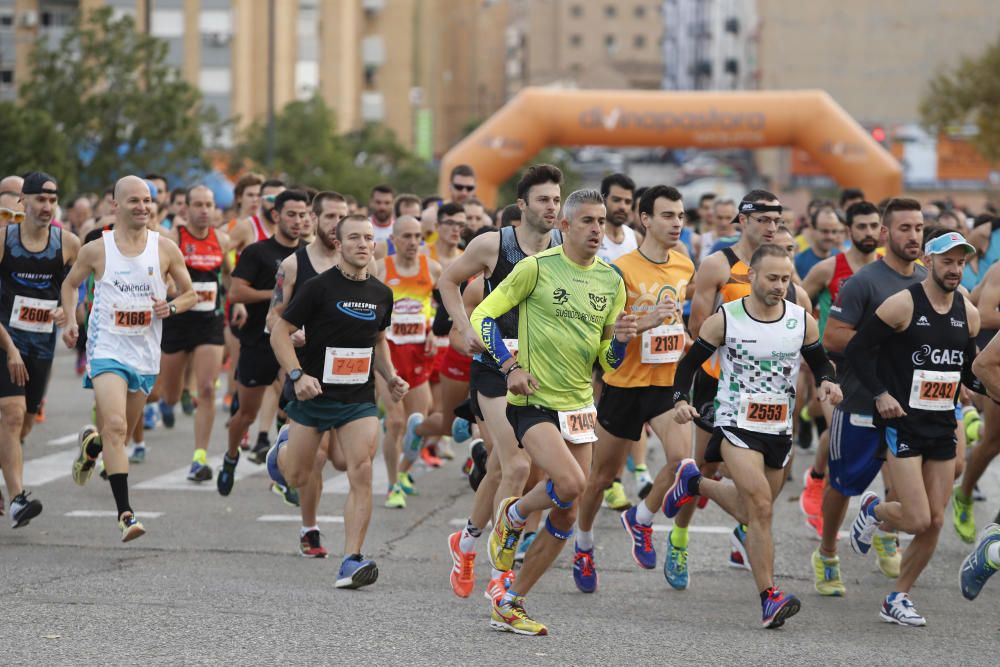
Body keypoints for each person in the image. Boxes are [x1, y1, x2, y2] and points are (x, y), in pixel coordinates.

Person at [472, 188, 630, 636]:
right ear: (564, 226)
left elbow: (609, 363)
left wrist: (620, 339)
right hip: (533, 400)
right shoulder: (535, 268)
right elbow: (484, 316)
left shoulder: (611, 281)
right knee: (571, 483)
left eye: (601, 222)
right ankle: (515, 514)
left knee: (566, 510)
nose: (598, 230)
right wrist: (509, 366)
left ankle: (510, 600)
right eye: (587, 222)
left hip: (579, 405)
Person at [668, 243, 842, 628]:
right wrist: (681, 400)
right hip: (735, 423)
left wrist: (828, 383)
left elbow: (819, 364)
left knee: (752, 511)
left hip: (779, 429)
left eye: (786, 278)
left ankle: (694, 482)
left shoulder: (802, 320)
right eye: (773, 278)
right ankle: (769, 596)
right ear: (752, 277)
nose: (781, 285)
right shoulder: (726, 319)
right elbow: (687, 368)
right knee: (760, 506)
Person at [438, 164, 562, 600]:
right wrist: (465, 328)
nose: (552, 207)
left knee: (499, 469)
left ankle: (467, 541)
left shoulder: (565, 248)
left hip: (542, 371)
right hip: (494, 366)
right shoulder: (493, 244)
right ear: (523, 204)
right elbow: (448, 281)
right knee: (517, 466)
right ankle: (501, 572)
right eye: (544, 199)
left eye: (556, 199)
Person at [846, 231, 982, 626]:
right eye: (947, 261)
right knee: (919, 519)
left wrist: (969, 386)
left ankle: (897, 596)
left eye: (960, 263)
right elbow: (857, 350)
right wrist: (881, 394)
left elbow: (967, 367)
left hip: (942, 423)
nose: (955, 269)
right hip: (902, 424)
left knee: (936, 521)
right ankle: (873, 509)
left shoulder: (967, 312)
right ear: (929, 261)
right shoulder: (903, 304)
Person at [268, 214, 407, 588]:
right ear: (339, 243)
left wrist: (390, 376)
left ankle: (351, 559)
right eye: (354, 238)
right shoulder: (317, 288)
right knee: (297, 475)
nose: (363, 244)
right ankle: (279, 454)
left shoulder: (382, 293)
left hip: (358, 398)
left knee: (360, 470)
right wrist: (298, 375)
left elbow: (378, 341)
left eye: (368, 238)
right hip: (314, 395)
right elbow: (280, 332)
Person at [60, 175, 196, 542]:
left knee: (112, 434)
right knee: (117, 427)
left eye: (147, 200)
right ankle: (125, 514)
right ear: (115, 206)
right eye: (134, 200)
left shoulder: (165, 248)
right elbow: (70, 284)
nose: (142, 207)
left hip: (145, 354)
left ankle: (92, 449)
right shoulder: (97, 249)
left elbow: (190, 294)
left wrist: (170, 305)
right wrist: (71, 319)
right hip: (107, 350)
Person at [572, 185, 695, 592]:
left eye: (680, 216)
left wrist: (682, 337)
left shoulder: (683, 266)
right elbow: (608, 331)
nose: (676, 223)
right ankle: (584, 545)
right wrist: (646, 322)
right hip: (624, 383)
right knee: (601, 478)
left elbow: (678, 317)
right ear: (645, 219)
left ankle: (640, 518)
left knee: (682, 463)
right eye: (667, 215)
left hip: (664, 384)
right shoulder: (620, 269)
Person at [817, 198, 927, 596]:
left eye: (918, 228)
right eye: (904, 228)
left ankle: (885, 531)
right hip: (862, 400)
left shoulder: (927, 280)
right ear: (885, 234)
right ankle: (828, 553)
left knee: (905, 484)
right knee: (844, 484)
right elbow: (832, 337)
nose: (913, 235)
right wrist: (887, 343)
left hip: (909, 404)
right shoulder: (863, 282)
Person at [265, 191, 349, 551]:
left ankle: (284, 452)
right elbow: (273, 316)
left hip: (349, 373)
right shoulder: (294, 265)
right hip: (308, 371)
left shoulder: (361, 262)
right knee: (313, 458)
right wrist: (291, 331)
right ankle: (309, 529)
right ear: (314, 220)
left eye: (343, 217)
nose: (337, 225)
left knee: (344, 461)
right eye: (330, 217)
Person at [0, 171, 80, 527]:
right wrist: (10, 349)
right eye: (40, 200)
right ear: (24, 202)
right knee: (12, 414)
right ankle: (18, 499)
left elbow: (73, 287)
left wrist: (69, 313)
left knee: (24, 426)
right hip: (5, 339)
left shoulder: (68, 244)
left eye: (52, 200)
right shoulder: (4, 240)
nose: (47, 207)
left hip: (41, 344)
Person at [798, 201, 881, 536]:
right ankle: (818, 482)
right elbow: (798, 305)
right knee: (838, 431)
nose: (868, 233)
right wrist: (813, 347)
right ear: (849, 231)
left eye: (874, 226)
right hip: (835, 367)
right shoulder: (829, 268)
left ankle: (879, 523)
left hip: (876, 370)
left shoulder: (890, 269)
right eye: (861, 227)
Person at [220, 190, 306, 494]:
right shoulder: (257, 252)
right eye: (291, 214)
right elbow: (236, 292)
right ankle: (231, 457)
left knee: (296, 409)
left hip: (295, 345)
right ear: (276, 216)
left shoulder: (309, 254)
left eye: (303, 214)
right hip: (258, 341)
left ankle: (286, 474)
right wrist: (277, 296)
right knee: (246, 413)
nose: (298, 221)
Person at [157, 185, 232, 481]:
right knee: (170, 394)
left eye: (209, 204)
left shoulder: (222, 240)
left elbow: (226, 274)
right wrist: (172, 291)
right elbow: (160, 276)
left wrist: (232, 300)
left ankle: (199, 458)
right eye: (198, 205)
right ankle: (167, 402)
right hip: (176, 323)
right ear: (185, 209)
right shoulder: (173, 240)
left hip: (208, 324)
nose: (204, 210)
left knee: (207, 389)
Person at [375, 216, 441, 507]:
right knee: (396, 421)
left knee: (420, 424)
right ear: (395, 239)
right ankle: (392, 486)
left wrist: (433, 331)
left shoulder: (433, 269)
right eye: (407, 236)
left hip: (418, 355)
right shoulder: (380, 269)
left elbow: (448, 303)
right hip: (387, 353)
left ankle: (403, 473)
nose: (414, 242)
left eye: (418, 237)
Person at [794, 204, 842, 278]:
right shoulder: (798, 262)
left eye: (834, 231)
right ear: (812, 229)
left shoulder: (842, 260)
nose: (830, 236)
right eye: (824, 231)